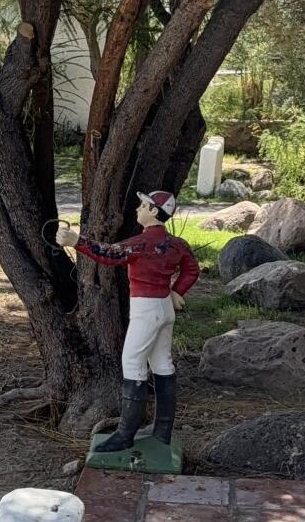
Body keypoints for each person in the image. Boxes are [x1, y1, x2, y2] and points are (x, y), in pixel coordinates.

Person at [56, 190, 201, 455]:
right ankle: (162, 432)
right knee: (162, 364)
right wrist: (177, 291)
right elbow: (192, 269)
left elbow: (109, 254)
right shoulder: (176, 244)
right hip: (164, 309)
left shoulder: (140, 244)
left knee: (133, 363)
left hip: (146, 310)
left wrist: (77, 240)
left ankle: (125, 434)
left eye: (143, 205)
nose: (138, 209)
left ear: (155, 212)